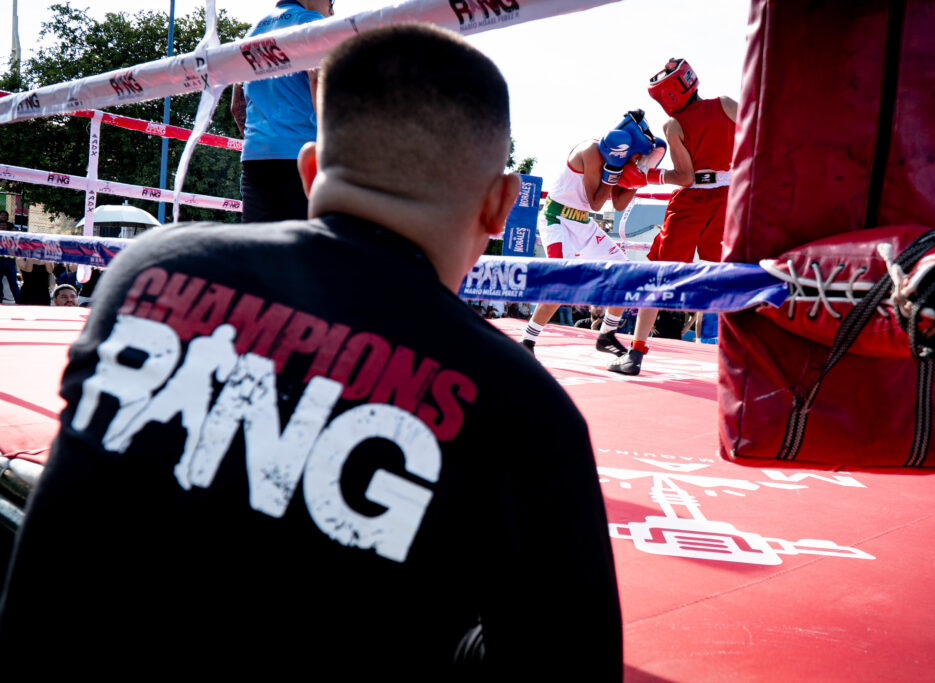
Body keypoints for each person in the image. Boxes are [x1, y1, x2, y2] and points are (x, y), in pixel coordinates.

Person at [0, 24, 622, 677]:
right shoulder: (528, 409)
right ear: (501, 206)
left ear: (308, 170)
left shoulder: (150, 274)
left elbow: (48, 585)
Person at [609, 57, 737, 375]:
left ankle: (635, 354)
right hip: (730, 196)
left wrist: (645, 175)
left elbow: (684, 177)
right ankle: (742, 354)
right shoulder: (726, 104)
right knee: (729, 274)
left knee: (660, 273)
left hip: (692, 201)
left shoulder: (674, 125)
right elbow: (757, 137)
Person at [520, 110, 664, 358]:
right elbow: (596, 203)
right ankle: (527, 342)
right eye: (637, 157)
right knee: (560, 281)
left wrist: (639, 177)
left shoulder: (622, 159)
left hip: (583, 223)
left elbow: (618, 205)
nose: (637, 160)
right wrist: (613, 171)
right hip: (558, 219)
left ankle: (606, 335)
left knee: (626, 274)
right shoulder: (590, 150)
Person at [230, 0, 334, 223]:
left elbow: (236, 103)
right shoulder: (309, 22)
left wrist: (262, 139)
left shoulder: (251, 32)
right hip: (302, 154)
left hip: (255, 156)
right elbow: (321, 82)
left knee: (261, 247)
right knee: (311, 246)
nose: (332, 10)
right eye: (331, 1)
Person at [0, 210, 19, 304]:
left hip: (9, 261)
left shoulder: (11, 232)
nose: (3, 227)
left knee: (13, 282)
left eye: (4, 226)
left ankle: (18, 300)